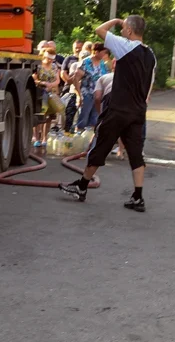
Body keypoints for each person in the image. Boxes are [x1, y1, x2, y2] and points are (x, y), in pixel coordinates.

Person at [58, 15, 157, 211]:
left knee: (100, 146)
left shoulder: (126, 46)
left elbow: (99, 30)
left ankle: (82, 186)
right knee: (135, 153)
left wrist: (116, 21)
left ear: (130, 31)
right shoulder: (150, 55)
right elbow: (149, 84)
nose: (121, 31)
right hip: (138, 111)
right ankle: (138, 197)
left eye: (124, 28)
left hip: (118, 109)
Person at [71, 42, 104, 132]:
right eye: (103, 52)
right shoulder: (86, 62)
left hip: (98, 96)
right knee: (83, 120)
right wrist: (79, 95)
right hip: (86, 95)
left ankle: (90, 138)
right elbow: (75, 79)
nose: (104, 55)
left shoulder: (102, 63)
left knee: (94, 120)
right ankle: (79, 137)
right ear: (96, 52)